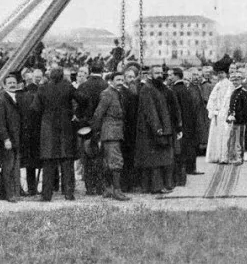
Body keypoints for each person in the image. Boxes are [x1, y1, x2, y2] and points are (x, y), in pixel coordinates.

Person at [34, 66, 78, 201]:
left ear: (50, 76)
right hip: (65, 127)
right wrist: (76, 114)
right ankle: (69, 193)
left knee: (48, 162)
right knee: (67, 161)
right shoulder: (68, 87)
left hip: (48, 128)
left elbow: (35, 108)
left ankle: (46, 194)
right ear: (62, 76)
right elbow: (83, 99)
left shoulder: (42, 88)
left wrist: (44, 116)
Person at [135, 65, 177, 193]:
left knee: (159, 158)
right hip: (150, 131)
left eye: (161, 72)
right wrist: (157, 129)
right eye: (156, 73)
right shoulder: (147, 89)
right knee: (154, 161)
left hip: (158, 129)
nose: (160, 75)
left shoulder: (158, 88)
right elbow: (150, 111)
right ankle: (156, 187)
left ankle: (159, 186)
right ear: (150, 75)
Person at [91, 71, 129, 200]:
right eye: (118, 80)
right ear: (111, 81)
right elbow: (98, 114)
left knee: (109, 162)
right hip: (110, 132)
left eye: (122, 80)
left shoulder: (118, 94)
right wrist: (95, 132)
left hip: (115, 132)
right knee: (115, 161)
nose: (120, 83)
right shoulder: (107, 94)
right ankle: (116, 191)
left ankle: (108, 189)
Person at [74, 62, 109, 196]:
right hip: (101, 125)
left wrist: (80, 117)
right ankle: (100, 186)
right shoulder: (106, 86)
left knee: (87, 158)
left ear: (90, 71)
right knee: (100, 157)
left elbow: (78, 105)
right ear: (102, 71)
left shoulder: (83, 86)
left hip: (86, 126)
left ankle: (89, 187)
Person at [0, 73, 22, 202]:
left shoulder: (17, 98)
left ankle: (3, 193)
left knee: (12, 166)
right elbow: (0, 122)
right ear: (4, 85)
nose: (12, 84)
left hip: (16, 138)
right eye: (9, 83)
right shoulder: (1, 100)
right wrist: (6, 139)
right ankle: (10, 195)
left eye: (13, 82)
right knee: (8, 167)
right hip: (8, 140)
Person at [17, 68, 42, 196]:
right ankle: (35, 187)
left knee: (25, 161)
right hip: (38, 132)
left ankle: (27, 188)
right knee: (35, 161)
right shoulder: (40, 94)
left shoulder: (20, 96)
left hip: (23, 132)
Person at [205, 56, 234, 164]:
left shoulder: (229, 84)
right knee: (216, 135)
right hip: (217, 113)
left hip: (224, 113)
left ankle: (224, 157)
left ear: (226, 74)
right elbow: (212, 98)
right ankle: (216, 156)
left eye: (222, 73)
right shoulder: (218, 84)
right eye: (219, 73)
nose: (220, 75)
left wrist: (222, 111)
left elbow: (228, 100)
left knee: (224, 135)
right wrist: (212, 110)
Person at [226, 70, 247, 164]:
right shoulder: (234, 92)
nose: (235, 82)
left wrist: (238, 117)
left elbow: (246, 108)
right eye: (233, 80)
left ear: (241, 80)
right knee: (232, 139)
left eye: (237, 80)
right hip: (234, 120)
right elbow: (231, 106)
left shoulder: (244, 92)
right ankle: (233, 157)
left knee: (239, 140)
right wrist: (230, 116)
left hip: (240, 121)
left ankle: (239, 157)